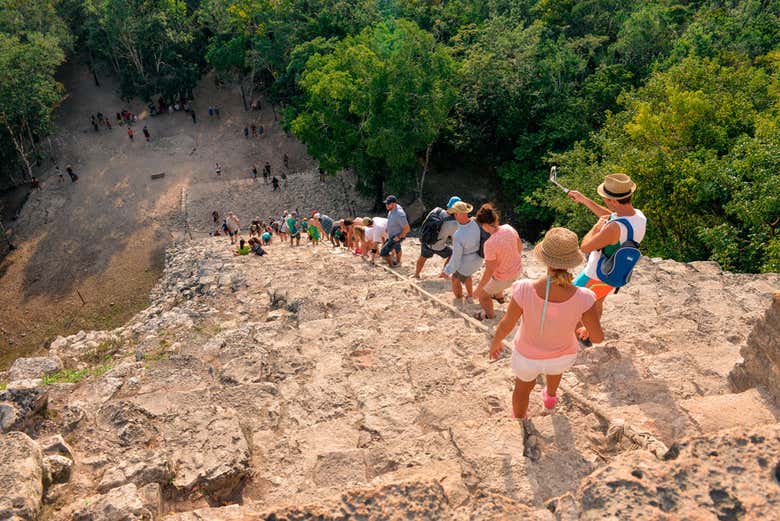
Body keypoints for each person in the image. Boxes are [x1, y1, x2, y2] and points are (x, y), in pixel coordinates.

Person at [489, 227, 603, 419]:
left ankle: (520, 421)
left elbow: (506, 324)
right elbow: (598, 338)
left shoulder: (524, 289)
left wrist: (496, 342)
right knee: (554, 370)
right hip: (562, 357)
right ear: (571, 262)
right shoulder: (585, 297)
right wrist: (585, 330)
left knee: (522, 390)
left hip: (527, 357)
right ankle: (550, 400)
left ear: (545, 259)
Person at [567, 173, 646, 342]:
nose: (604, 200)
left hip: (595, 274)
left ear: (614, 201)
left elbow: (585, 246)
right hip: (613, 272)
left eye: (605, 198)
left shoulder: (613, 229)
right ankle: (588, 334)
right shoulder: (638, 217)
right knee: (596, 302)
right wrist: (584, 200)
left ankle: (576, 336)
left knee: (571, 303)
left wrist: (596, 228)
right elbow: (611, 216)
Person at [474, 204, 523, 320]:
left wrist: (479, 289)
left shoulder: (489, 244)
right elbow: (520, 247)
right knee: (498, 273)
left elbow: (490, 270)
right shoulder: (508, 228)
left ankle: (489, 315)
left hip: (504, 278)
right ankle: (499, 297)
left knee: (483, 296)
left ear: (485, 225)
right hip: (518, 270)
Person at [440, 201, 481, 299]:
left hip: (468, 261)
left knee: (455, 278)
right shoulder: (476, 221)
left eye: (455, 213)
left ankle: (459, 298)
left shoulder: (458, 235)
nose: (454, 216)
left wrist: (446, 271)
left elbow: (456, 258)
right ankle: (470, 295)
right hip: (479, 257)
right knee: (466, 274)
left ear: (460, 214)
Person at [414, 197, 461, 278]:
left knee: (422, 257)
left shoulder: (437, 210)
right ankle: (443, 274)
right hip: (438, 246)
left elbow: (425, 222)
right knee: (452, 254)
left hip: (426, 240)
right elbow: (453, 239)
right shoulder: (454, 224)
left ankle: (416, 274)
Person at [380, 195, 410, 267]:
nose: (386, 205)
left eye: (388, 204)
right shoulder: (391, 209)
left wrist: (399, 237)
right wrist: (388, 228)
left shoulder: (399, 214)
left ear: (393, 204)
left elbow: (407, 228)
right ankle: (398, 262)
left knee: (383, 253)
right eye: (386, 203)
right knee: (397, 248)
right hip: (392, 234)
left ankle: (392, 265)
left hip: (397, 236)